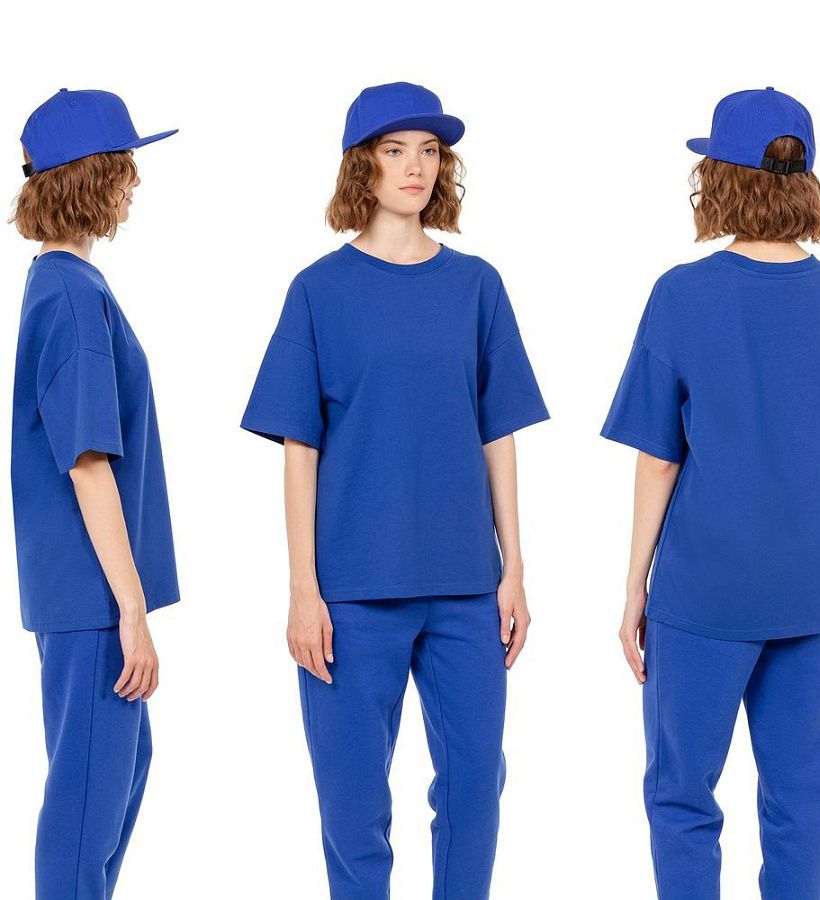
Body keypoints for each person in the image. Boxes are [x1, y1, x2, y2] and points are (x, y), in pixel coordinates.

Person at [241, 81, 549, 899]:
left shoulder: (478, 286)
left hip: (465, 588)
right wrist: (303, 590)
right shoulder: (317, 291)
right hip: (350, 592)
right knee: (352, 807)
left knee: (476, 787)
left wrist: (514, 569)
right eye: (394, 149)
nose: (415, 166)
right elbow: (298, 450)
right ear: (362, 166)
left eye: (429, 150)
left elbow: (498, 434)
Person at [600, 87, 820, 899]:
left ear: (720, 180)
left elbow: (659, 461)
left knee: (682, 798)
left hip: (703, 593)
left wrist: (635, 587)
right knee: (801, 807)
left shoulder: (683, 295)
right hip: (811, 592)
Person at [10, 89, 180, 900]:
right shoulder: (74, 298)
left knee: (120, 769)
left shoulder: (60, 285)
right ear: (94, 178)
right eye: (124, 167)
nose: (134, 183)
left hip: (79, 592)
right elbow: (86, 464)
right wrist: (131, 609)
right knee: (85, 807)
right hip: (91, 597)